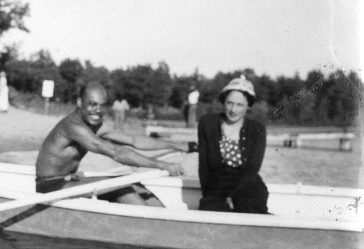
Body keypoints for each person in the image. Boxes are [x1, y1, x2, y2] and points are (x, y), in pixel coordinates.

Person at [35, 81, 189, 206]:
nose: (98, 110)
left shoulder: (96, 125)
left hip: (70, 180)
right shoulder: (73, 126)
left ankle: (165, 219)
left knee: (136, 185)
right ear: (79, 102)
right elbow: (116, 152)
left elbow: (134, 141)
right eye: (92, 104)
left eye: (102, 105)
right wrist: (163, 165)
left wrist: (176, 145)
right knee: (120, 186)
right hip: (51, 187)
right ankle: (155, 225)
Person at [197, 75, 269, 214]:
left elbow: (252, 169)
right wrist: (208, 194)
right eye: (230, 103)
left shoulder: (257, 129)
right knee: (210, 208)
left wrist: (231, 196)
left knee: (248, 207)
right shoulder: (207, 123)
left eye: (240, 105)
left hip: (248, 184)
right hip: (217, 184)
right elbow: (203, 166)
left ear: (249, 106)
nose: (233, 110)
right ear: (224, 101)